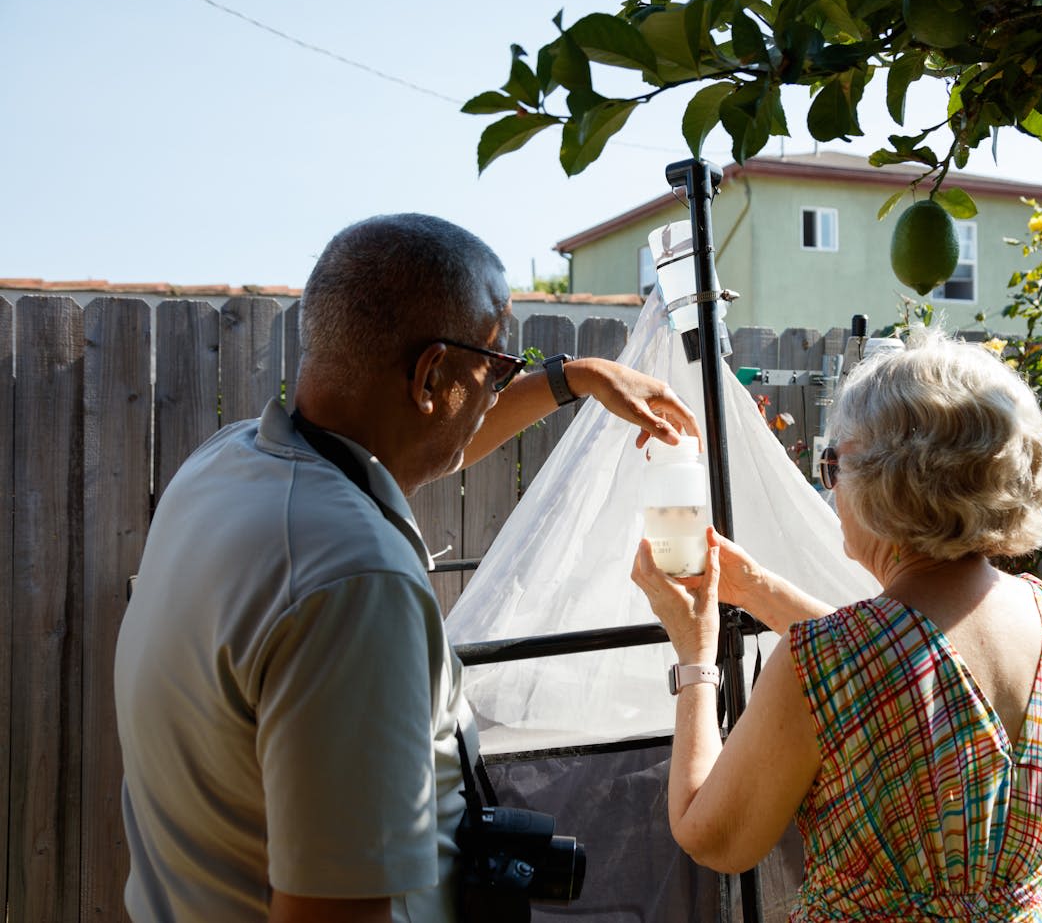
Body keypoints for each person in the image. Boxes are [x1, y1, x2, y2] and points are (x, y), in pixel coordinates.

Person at [114, 213, 698, 923]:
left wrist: (574, 378)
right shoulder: (355, 580)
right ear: (428, 376)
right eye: (494, 368)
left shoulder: (229, 467)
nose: (493, 390)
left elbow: (438, 436)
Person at [631, 328, 1042, 921]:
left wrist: (694, 651)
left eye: (831, 463)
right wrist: (756, 588)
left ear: (886, 480)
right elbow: (912, 675)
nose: (831, 485)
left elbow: (713, 837)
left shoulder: (824, 659)